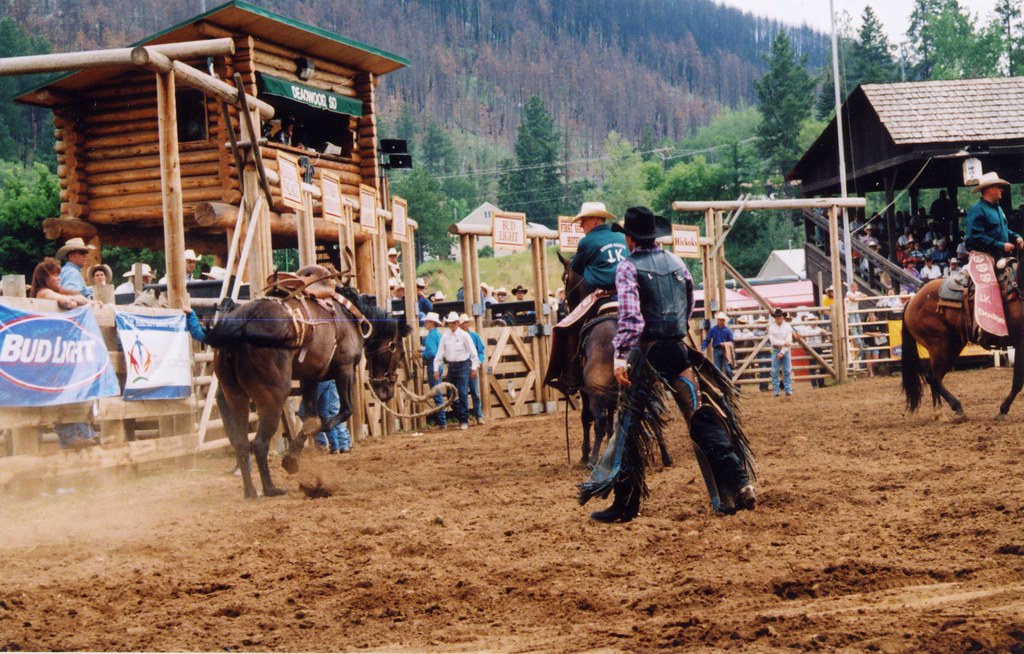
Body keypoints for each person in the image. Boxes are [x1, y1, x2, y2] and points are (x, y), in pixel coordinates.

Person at [591, 206, 753, 522]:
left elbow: (632, 319)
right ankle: (731, 489)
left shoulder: (627, 268)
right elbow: (689, 305)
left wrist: (620, 356)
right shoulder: (679, 264)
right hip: (678, 352)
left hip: (646, 354)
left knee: (629, 427)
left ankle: (626, 505)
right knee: (702, 420)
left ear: (629, 238)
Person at [29, 258, 96, 448]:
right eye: (54, 275)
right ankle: (73, 438)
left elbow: (80, 299)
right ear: (45, 277)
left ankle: (81, 435)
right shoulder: (43, 293)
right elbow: (66, 301)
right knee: (61, 394)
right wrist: (71, 300)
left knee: (69, 392)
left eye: (59, 274)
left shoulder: (53, 291)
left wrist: (72, 300)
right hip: (50, 353)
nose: (58, 278)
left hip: (58, 352)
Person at [433, 311, 479, 431]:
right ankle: (461, 417)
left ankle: (463, 419)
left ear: (457, 323)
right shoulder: (445, 336)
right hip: (452, 366)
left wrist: (473, 368)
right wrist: (436, 368)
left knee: (463, 393)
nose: (452, 325)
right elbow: (439, 353)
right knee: (450, 394)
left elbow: (474, 353)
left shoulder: (464, 336)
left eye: (454, 323)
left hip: (463, 365)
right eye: (450, 323)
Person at [570, 201, 628, 293]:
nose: (581, 225)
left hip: (602, 290)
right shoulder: (622, 236)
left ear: (594, 220)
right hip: (626, 289)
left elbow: (576, 267)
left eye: (583, 220)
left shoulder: (586, 241)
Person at [965, 171, 1022, 259]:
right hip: (984, 260)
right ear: (989, 188)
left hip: (1001, 258)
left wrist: (1016, 236)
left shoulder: (998, 208)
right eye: (999, 186)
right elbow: (975, 237)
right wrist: (1001, 246)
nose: (1002, 189)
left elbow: (1001, 230)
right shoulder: (977, 210)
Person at [421, 312, 446, 429]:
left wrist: (421, 354)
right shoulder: (438, 334)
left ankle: (442, 421)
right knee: (438, 391)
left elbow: (431, 352)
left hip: (433, 365)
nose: (425, 323)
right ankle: (441, 419)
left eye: (426, 321)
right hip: (440, 364)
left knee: (436, 392)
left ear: (431, 322)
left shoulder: (431, 335)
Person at [460, 313, 486, 425]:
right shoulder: (460, 336)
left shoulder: (474, 336)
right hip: (462, 367)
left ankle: (478, 415)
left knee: (474, 392)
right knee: (463, 393)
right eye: (462, 323)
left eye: (466, 322)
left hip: (471, 365)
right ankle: (465, 417)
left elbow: (481, 350)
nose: (464, 325)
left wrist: (478, 362)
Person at [768, 307, 794, 398]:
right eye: (777, 317)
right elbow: (773, 341)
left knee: (787, 370)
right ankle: (776, 391)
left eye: (780, 316)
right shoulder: (771, 328)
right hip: (777, 349)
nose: (778, 318)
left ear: (782, 317)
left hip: (784, 351)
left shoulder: (788, 327)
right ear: (775, 318)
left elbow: (789, 341)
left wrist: (782, 352)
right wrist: (783, 343)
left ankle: (788, 390)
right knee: (775, 371)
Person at [701, 311, 734, 379]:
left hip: (725, 350)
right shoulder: (713, 330)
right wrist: (703, 348)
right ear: (717, 320)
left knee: (728, 369)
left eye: (722, 320)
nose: (720, 321)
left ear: (724, 321)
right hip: (716, 350)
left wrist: (725, 344)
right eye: (719, 320)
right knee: (717, 370)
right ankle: (721, 386)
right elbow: (707, 340)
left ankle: (731, 384)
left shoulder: (727, 330)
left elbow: (732, 341)